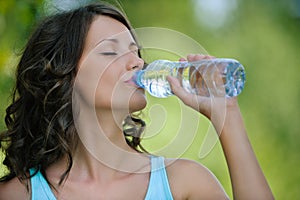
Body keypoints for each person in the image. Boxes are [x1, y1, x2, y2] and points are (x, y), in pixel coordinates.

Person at [0, 1, 274, 199]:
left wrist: (226, 114)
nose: (138, 62)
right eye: (110, 52)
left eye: (135, 51)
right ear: (63, 75)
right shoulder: (17, 194)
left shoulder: (183, 183)